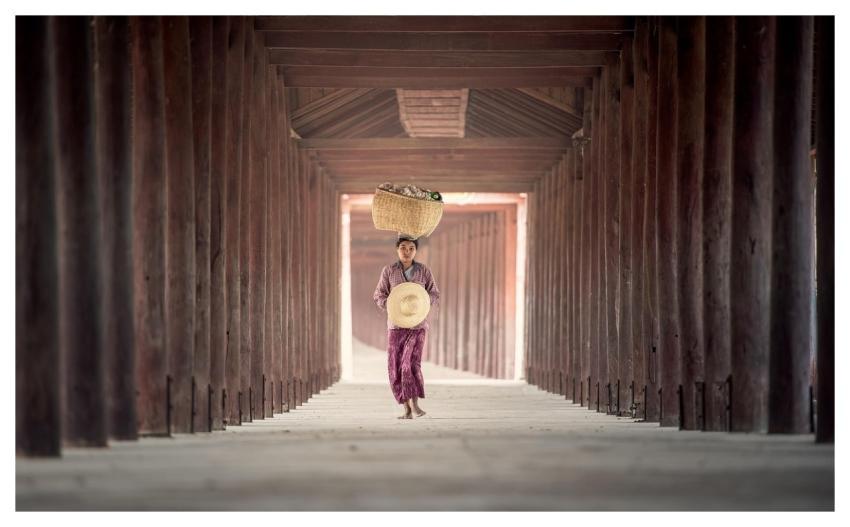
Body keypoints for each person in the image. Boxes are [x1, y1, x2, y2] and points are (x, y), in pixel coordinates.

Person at [373, 236, 440, 419]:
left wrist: (423, 304)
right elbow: (379, 294)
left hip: (418, 326)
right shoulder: (389, 271)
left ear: (416, 251)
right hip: (396, 326)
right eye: (403, 247)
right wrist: (392, 305)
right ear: (397, 249)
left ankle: (416, 405)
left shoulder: (424, 271)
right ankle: (406, 408)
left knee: (411, 364)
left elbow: (433, 292)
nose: (407, 251)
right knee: (395, 366)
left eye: (411, 248)